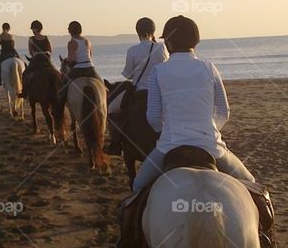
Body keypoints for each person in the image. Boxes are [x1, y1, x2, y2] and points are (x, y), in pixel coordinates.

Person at [131, 15, 255, 195]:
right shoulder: (209, 68)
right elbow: (223, 111)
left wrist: (166, 132)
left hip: (169, 146)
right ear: (195, 42)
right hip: (210, 146)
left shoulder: (158, 72)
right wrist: (209, 129)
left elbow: (153, 117)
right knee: (251, 184)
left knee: (138, 186)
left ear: (168, 43)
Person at [105, 18, 168, 155]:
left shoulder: (132, 50)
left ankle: (116, 143)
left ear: (137, 32)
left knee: (111, 110)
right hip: (159, 92)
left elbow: (128, 75)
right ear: (153, 31)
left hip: (140, 93)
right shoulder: (161, 47)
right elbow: (166, 68)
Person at [18, 20, 53, 97]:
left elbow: (31, 52)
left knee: (25, 74)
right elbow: (50, 51)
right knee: (56, 73)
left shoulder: (31, 39)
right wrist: (45, 53)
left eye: (32, 29)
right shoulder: (46, 38)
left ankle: (24, 93)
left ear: (35, 29)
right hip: (46, 60)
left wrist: (37, 53)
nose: (32, 31)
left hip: (36, 60)